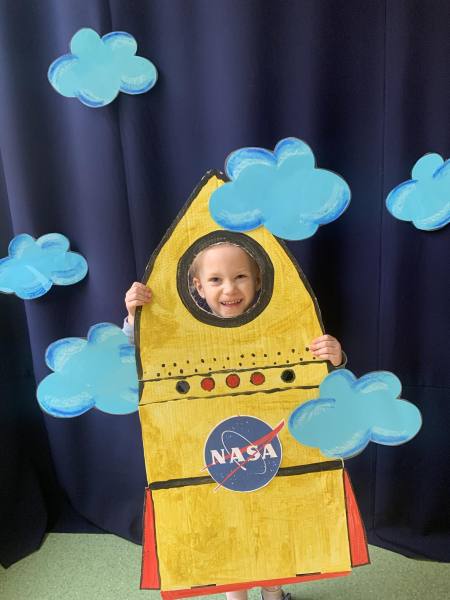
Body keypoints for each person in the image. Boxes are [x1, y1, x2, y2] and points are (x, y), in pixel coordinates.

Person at [123, 242, 344, 600]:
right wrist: (136, 319)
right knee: (227, 525)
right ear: (198, 286)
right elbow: (145, 351)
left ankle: (274, 593)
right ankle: (235, 595)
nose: (229, 288)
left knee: (272, 520)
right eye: (216, 279)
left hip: (270, 449)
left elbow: (319, 378)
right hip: (212, 451)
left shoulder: (281, 323)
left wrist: (334, 357)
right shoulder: (181, 330)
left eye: (240, 276)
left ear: (257, 280)